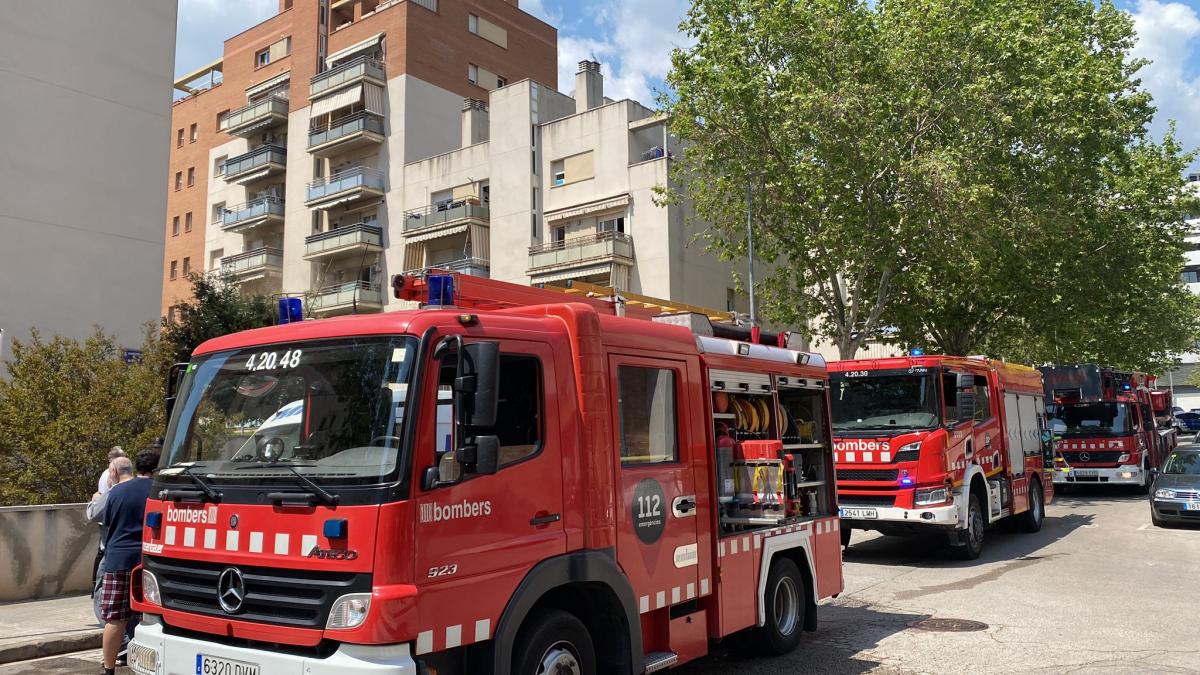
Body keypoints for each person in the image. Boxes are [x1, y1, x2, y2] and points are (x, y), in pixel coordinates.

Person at [98, 448, 157, 675]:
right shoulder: (158, 491)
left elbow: (107, 525)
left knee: (115, 619)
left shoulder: (116, 493)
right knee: (149, 618)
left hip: (118, 560)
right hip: (148, 561)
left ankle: (109, 669)